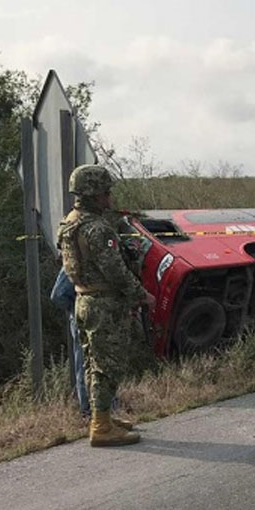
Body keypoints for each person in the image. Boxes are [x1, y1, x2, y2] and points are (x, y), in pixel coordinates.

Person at [58, 164, 154, 446]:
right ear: (94, 194)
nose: (109, 197)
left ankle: (101, 417)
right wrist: (142, 294)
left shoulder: (70, 222)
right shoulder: (98, 229)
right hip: (104, 305)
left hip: (84, 300)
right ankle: (101, 426)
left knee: (92, 363)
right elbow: (116, 271)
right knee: (107, 365)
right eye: (106, 192)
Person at [49, 269, 90, 417]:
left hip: (97, 316)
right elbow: (57, 295)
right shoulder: (73, 262)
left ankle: (106, 410)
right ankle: (87, 409)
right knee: (84, 362)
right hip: (82, 318)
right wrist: (76, 307)